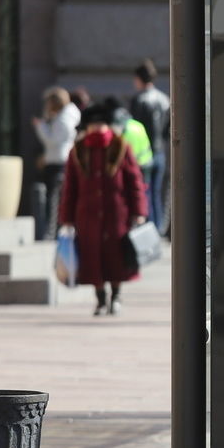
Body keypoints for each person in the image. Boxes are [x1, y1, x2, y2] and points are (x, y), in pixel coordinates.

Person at [59, 103, 148, 316]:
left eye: (101, 124)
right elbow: (70, 187)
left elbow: (134, 181)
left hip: (117, 213)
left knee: (116, 258)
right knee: (91, 259)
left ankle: (116, 295)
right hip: (87, 215)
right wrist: (67, 217)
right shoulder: (78, 151)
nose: (97, 128)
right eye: (93, 124)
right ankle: (100, 299)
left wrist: (139, 212)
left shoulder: (120, 146)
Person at [32, 86, 80, 239]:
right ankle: (58, 229)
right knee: (61, 198)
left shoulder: (63, 120)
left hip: (57, 161)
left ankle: (52, 231)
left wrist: (40, 126)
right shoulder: (68, 116)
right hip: (62, 160)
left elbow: (52, 139)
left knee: (53, 198)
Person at [130, 58, 170, 233]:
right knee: (156, 193)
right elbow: (168, 129)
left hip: (143, 154)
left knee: (144, 193)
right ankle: (158, 228)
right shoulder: (164, 99)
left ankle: (148, 230)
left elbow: (135, 128)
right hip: (160, 151)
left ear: (139, 79)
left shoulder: (139, 100)